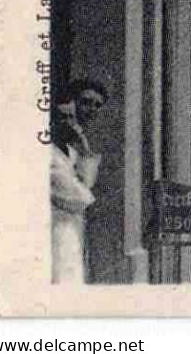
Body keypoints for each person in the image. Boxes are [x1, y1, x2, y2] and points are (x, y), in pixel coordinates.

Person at [49, 79, 107, 285]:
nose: (91, 109)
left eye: (97, 105)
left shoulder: (73, 151)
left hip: (73, 228)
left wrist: (83, 145)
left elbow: (87, 183)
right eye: (86, 102)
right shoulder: (50, 153)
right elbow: (80, 195)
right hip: (56, 229)